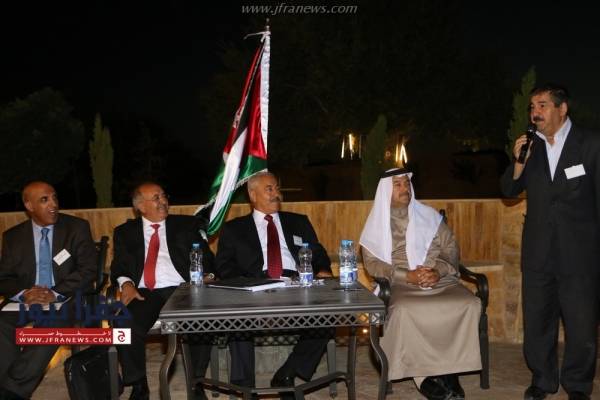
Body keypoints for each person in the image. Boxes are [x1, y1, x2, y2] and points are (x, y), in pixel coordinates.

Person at [501, 84, 600, 400]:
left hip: (580, 255)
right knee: (538, 322)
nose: (535, 112)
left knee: (581, 326)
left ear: (562, 108)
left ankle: (578, 385)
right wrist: (519, 161)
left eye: (542, 105)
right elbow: (507, 190)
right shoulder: (531, 147)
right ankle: (542, 381)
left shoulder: (591, 144)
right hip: (538, 253)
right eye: (532, 107)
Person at [360, 169, 481, 400]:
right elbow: (373, 264)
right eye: (397, 184)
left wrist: (437, 271)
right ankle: (424, 378)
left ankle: (449, 371)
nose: (404, 188)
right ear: (385, 190)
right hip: (401, 283)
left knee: (469, 303)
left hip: (439, 279)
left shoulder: (430, 216)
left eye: (406, 183)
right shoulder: (376, 223)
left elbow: (451, 249)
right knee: (404, 310)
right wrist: (408, 276)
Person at [215, 171, 332, 399]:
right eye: (269, 189)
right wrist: (245, 285)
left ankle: (287, 374)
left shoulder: (298, 221)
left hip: (296, 284)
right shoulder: (234, 228)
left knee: (328, 317)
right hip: (255, 287)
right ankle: (245, 389)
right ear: (252, 195)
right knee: (237, 321)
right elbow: (224, 265)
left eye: (277, 188)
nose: (276, 193)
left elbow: (317, 252)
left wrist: (323, 269)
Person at [110, 182, 215, 400]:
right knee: (123, 323)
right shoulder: (125, 232)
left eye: (164, 196)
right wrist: (126, 283)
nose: (163, 201)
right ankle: (138, 384)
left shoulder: (186, 225)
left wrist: (208, 275)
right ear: (140, 206)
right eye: (156, 198)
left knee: (203, 319)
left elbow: (208, 259)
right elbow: (119, 266)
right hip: (145, 292)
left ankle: (196, 383)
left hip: (183, 289)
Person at [0, 181, 97, 400]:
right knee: (1, 323)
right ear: (29, 205)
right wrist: (24, 293)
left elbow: (88, 270)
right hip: (27, 299)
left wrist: (55, 293)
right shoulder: (13, 236)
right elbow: (4, 278)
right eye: (44, 200)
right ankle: (10, 387)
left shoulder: (76, 228)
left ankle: (11, 391)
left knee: (50, 324)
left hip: (66, 298)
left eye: (54, 197)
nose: (53, 204)